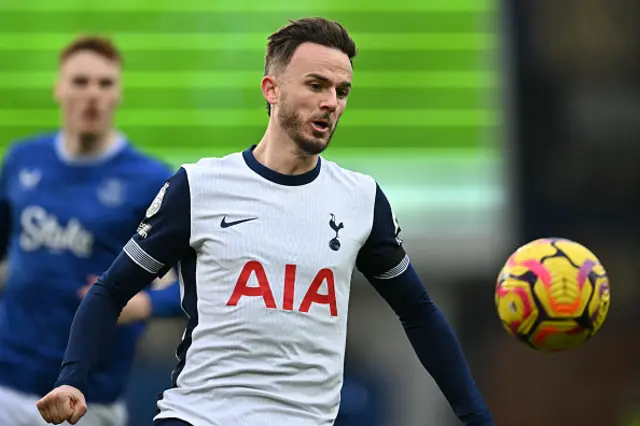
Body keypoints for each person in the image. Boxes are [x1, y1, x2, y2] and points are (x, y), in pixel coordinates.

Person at [37, 18, 495, 426]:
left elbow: (417, 312)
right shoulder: (199, 187)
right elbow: (110, 291)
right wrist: (72, 379)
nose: (330, 103)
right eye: (316, 85)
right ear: (271, 90)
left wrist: (475, 416)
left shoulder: (361, 200)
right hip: (200, 416)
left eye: (341, 91)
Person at [0, 35, 183, 426]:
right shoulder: (22, 160)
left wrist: (145, 304)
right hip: (8, 381)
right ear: (59, 88)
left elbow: (196, 281)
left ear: (118, 93)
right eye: (80, 82)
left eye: (104, 84)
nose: (92, 95)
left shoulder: (148, 179)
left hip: (87, 397)